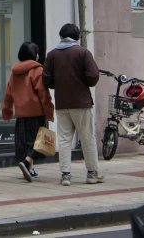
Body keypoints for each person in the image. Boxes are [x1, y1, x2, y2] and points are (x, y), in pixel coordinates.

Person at [42, 23, 104, 186]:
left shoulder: (52, 55)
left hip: (62, 102)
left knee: (64, 139)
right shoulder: (83, 52)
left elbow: (46, 79)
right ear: (78, 38)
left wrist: (59, 85)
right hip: (81, 102)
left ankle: (66, 175)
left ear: (61, 37)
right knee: (87, 137)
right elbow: (93, 76)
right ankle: (92, 173)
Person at [2, 42, 54, 182]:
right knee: (41, 142)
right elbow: (44, 93)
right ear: (34, 55)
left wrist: (7, 112)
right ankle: (27, 162)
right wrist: (49, 111)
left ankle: (29, 168)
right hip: (36, 113)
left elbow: (8, 94)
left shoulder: (14, 73)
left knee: (26, 143)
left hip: (21, 114)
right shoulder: (37, 70)